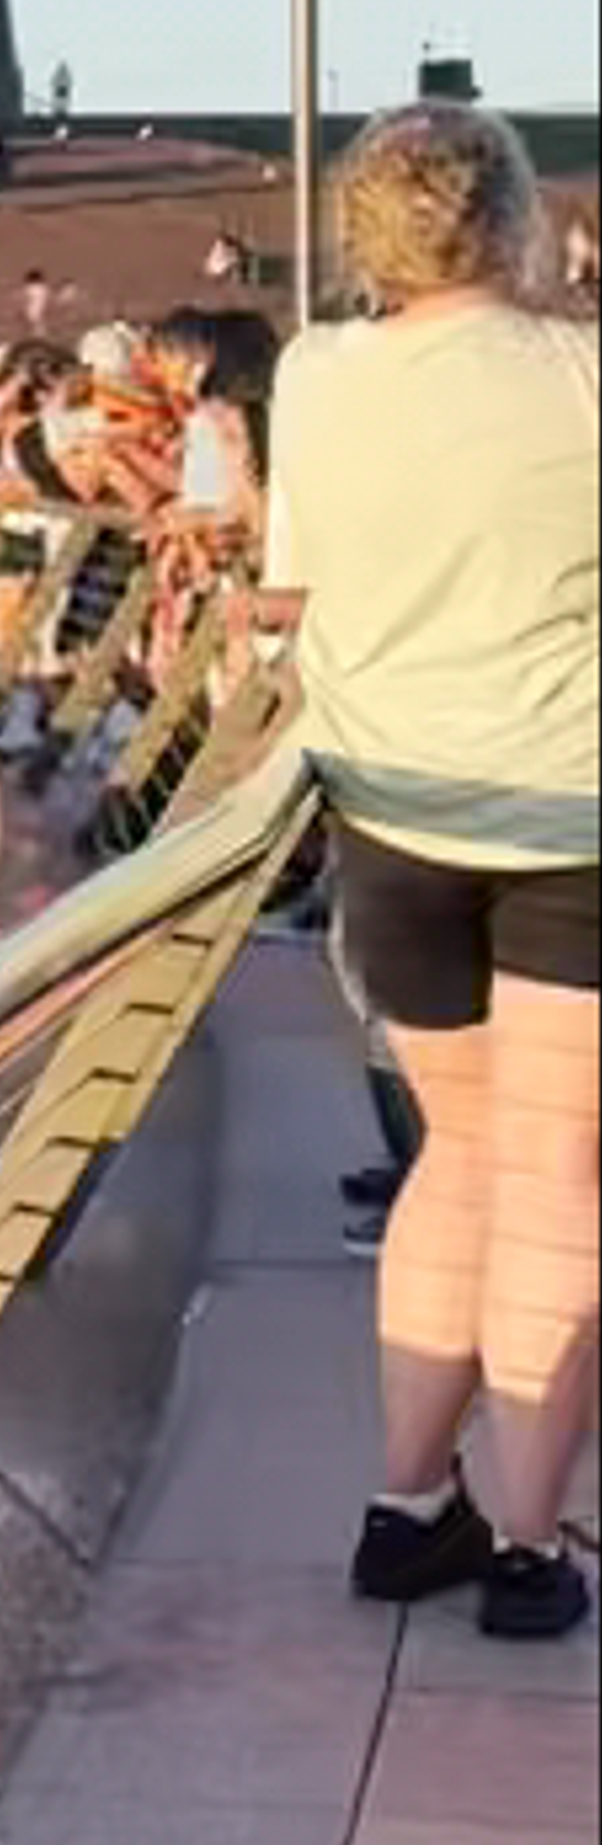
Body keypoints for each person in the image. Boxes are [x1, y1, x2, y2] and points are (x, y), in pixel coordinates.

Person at [268, 107, 600, 1638]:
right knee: (550, 1179)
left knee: (461, 1156)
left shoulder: (316, 375)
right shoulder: (585, 374)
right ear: (522, 221)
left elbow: (294, 584)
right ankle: (531, 1549)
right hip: (569, 828)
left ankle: (408, 1507)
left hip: (392, 823)